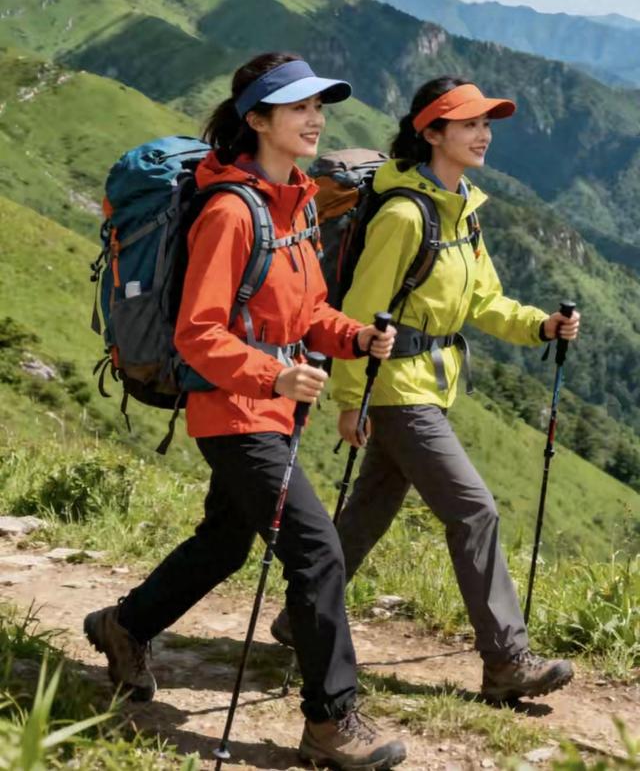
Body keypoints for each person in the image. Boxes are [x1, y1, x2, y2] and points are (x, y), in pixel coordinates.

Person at [84, 52, 407, 770]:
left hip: (273, 408)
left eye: (319, 106)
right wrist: (275, 375)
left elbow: (306, 308)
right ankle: (331, 722)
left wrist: (351, 336)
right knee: (317, 550)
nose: (315, 119)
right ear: (256, 118)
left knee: (226, 542)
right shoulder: (231, 211)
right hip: (234, 414)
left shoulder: (293, 201)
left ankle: (123, 625)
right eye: (297, 108)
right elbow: (198, 335)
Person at [272, 75, 581, 703]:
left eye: (486, 125)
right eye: (469, 124)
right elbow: (362, 315)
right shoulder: (405, 215)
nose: (483, 135)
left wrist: (541, 326)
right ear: (431, 132)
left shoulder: (461, 209)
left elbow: (485, 301)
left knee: (370, 509)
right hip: (395, 390)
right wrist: (349, 400)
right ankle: (506, 660)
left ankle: (296, 619)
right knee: (474, 510)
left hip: (427, 387)